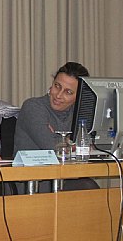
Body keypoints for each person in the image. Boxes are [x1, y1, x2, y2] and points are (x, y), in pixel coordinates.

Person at [14, 61, 98, 192]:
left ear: (80, 96)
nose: (58, 95)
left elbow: (91, 147)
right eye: (57, 86)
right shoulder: (33, 107)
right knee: (87, 188)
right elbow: (54, 148)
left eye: (68, 92)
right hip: (34, 183)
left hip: (65, 179)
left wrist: (63, 141)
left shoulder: (81, 114)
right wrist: (70, 143)